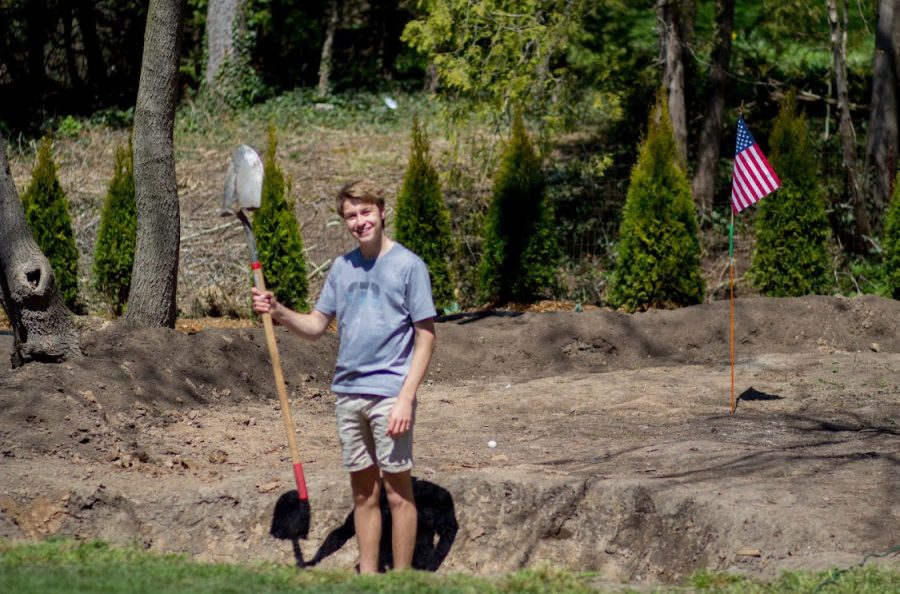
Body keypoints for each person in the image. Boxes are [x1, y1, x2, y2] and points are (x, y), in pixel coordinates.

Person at [252, 179, 437, 573]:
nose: (360, 221)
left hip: (390, 395)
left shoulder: (409, 266)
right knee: (364, 494)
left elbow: (426, 337)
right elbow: (317, 325)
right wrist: (279, 311)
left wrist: (406, 397)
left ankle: (402, 581)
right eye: (351, 215)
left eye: (366, 211)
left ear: (382, 212)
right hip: (348, 395)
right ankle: (368, 578)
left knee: (398, 492)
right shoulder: (342, 267)